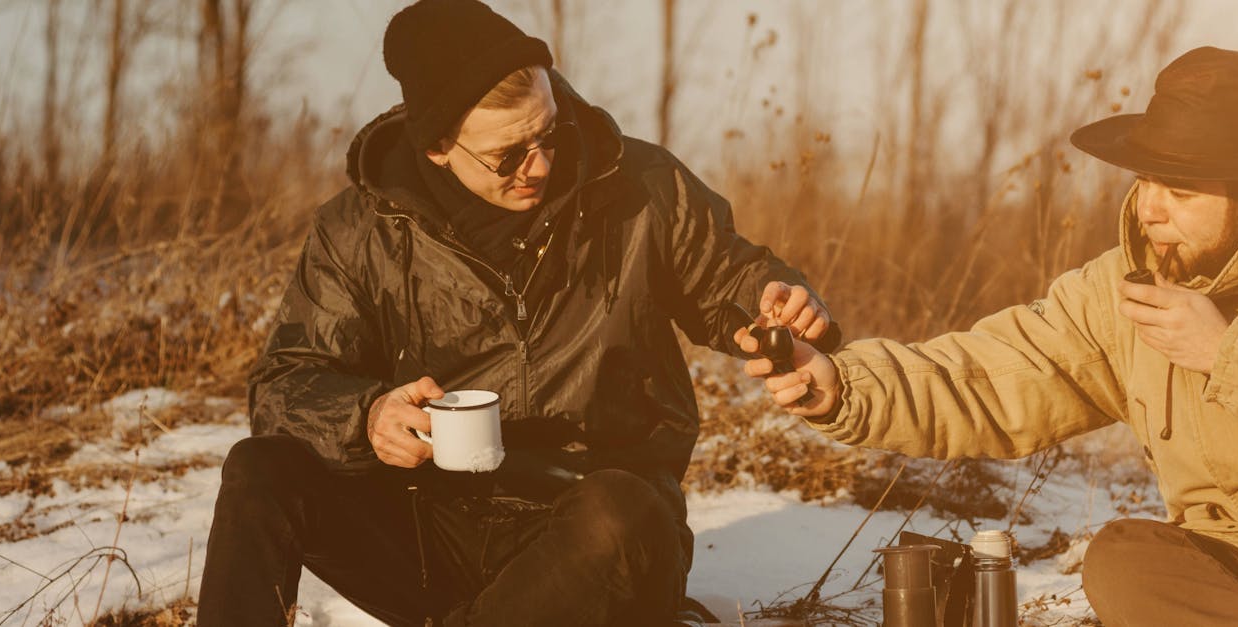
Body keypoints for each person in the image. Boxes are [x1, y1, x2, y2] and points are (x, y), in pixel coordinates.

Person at [741, 47, 1238, 626]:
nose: (1148, 206)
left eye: (1179, 187)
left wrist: (1227, 354)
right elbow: (990, 376)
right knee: (1122, 555)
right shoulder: (1121, 293)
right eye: (1145, 179)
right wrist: (843, 383)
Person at [197, 1, 839, 625]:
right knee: (261, 471)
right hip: (428, 532)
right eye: (508, 155)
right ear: (439, 148)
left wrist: (773, 297)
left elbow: (724, 273)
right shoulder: (358, 229)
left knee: (622, 509)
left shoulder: (638, 186)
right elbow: (284, 387)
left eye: (549, 133)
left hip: (599, 529)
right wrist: (367, 417)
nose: (541, 165)